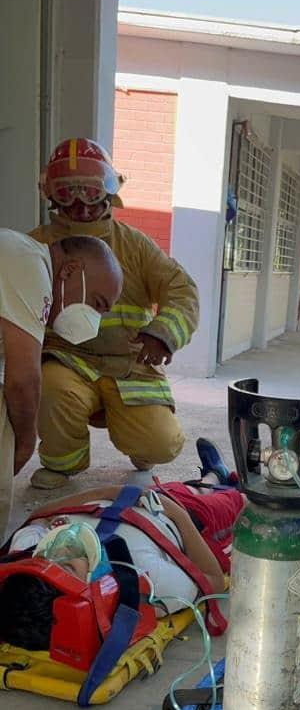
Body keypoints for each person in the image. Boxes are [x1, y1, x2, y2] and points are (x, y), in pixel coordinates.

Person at [29, 138, 200, 490]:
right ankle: (64, 463)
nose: (80, 205)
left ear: (109, 191)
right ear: (50, 195)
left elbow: (181, 289)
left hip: (131, 364)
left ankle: (138, 437)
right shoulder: (37, 245)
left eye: (90, 193)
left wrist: (163, 333)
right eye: (67, 193)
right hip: (67, 359)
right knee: (53, 388)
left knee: (161, 444)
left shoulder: (135, 245)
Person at [0, 474, 245, 651]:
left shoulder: (29, 549)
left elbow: (39, 516)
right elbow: (211, 580)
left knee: (192, 487)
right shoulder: (146, 578)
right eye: (68, 566)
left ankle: (213, 476)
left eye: (46, 557)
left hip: (146, 498)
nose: (62, 548)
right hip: (189, 518)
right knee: (241, 501)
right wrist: (175, 513)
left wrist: (112, 493)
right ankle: (220, 482)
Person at [0, 228, 122, 542]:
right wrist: (26, 441)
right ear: (69, 270)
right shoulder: (31, 264)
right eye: (96, 303)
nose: (94, 318)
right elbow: (22, 380)